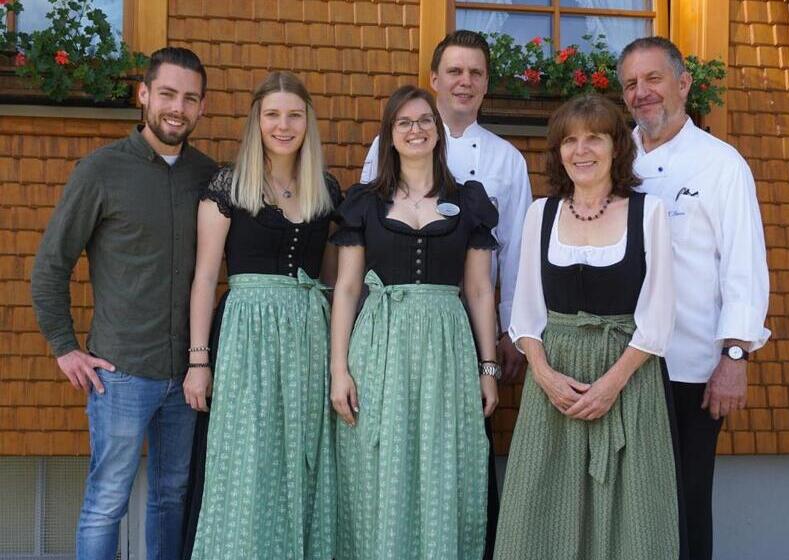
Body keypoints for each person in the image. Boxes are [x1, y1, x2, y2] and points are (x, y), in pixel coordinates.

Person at [30, 47, 216, 559]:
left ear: (202, 107)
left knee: (172, 496)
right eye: (168, 94)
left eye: (190, 98)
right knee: (106, 500)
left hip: (187, 374)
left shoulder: (209, 177)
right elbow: (50, 265)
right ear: (144, 95)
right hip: (121, 373)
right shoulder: (101, 171)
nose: (177, 108)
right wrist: (65, 347)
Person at [360, 31, 532, 555]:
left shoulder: (506, 159)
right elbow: (368, 239)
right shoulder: (386, 147)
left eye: (475, 73)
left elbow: (514, 252)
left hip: (467, 324)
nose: (465, 81)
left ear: (486, 84)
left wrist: (508, 332)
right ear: (434, 79)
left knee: (457, 449)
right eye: (455, 71)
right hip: (395, 326)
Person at [494, 94, 680, 559]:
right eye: (569, 141)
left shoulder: (648, 212)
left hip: (627, 382)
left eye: (594, 138)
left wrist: (610, 386)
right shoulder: (541, 213)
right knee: (540, 512)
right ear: (558, 152)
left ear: (617, 146)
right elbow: (526, 311)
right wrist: (545, 376)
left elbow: (658, 316)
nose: (581, 150)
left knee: (629, 516)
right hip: (554, 382)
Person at [330, 85, 500, 560]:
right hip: (380, 345)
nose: (415, 129)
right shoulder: (366, 202)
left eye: (425, 120)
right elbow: (347, 288)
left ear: (438, 131)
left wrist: (488, 368)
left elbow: (479, 290)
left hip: (447, 346)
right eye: (404, 122)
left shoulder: (468, 201)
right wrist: (339, 370)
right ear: (390, 134)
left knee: (443, 459)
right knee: (380, 461)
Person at [617, 37, 770, 560]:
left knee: (684, 501)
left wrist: (735, 356)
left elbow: (744, 267)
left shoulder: (721, 164)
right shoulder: (614, 157)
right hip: (620, 363)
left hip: (691, 367)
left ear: (683, 84)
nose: (641, 92)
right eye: (630, 84)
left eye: (653, 79)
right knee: (627, 504)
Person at [181, 71, 340, 560]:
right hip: (246, 335)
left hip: (308, 336)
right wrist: (199, 360)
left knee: (303, 454)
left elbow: (334, 278)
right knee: (248, 456)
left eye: (294, 115)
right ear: (257, 121)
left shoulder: (325, 189)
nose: (283, 126)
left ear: (308, 122)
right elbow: (205, 278)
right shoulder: (229, 186)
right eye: (272, 115)